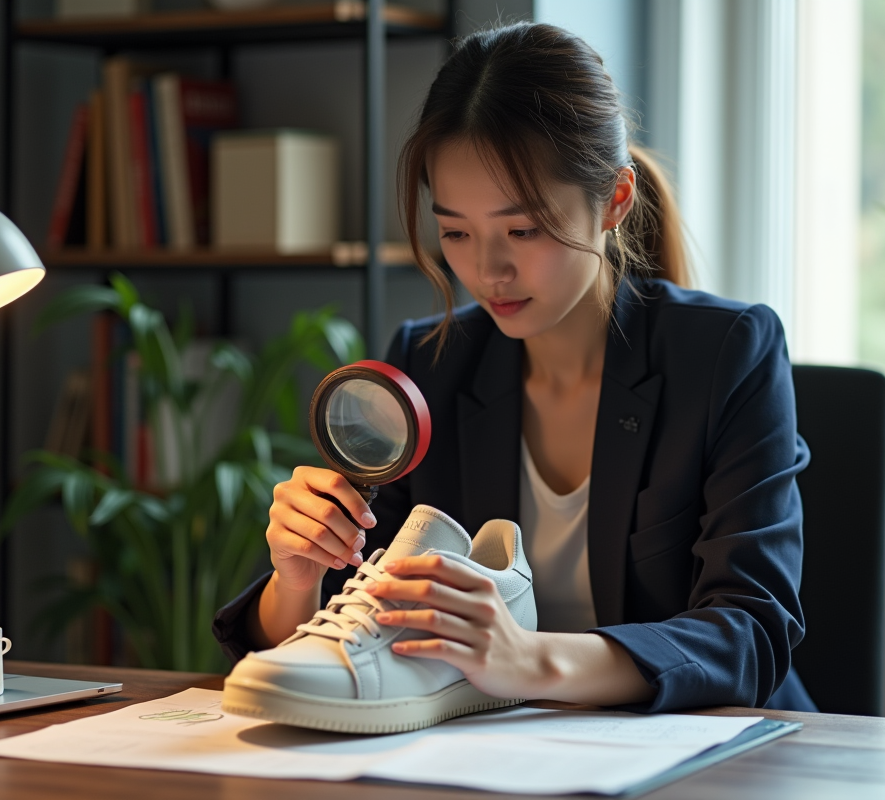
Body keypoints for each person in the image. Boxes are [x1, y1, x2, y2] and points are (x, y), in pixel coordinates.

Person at [214, 21, 815, 712]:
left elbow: (751, 631)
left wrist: (527, 659)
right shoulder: (430, 366)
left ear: (614, 200)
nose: (488, 271)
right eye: (456, 233)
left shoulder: (727, 354)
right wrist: (299, 578)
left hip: (719, 756)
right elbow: (342, 646)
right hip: (501, 757)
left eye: (522, 230)